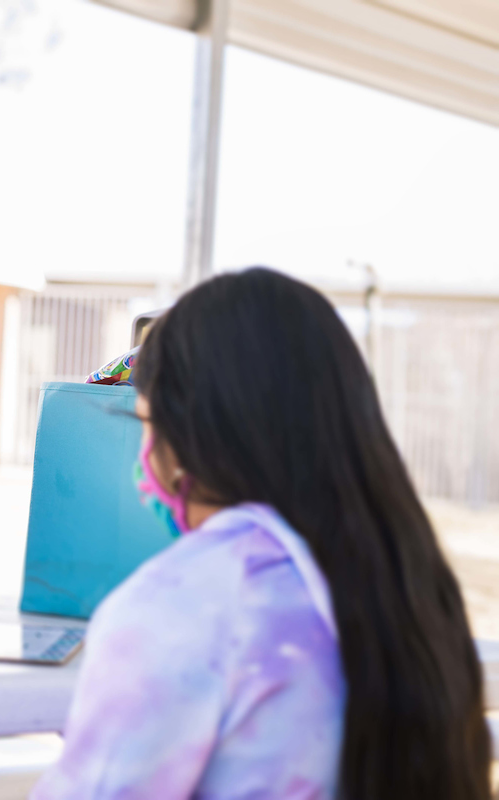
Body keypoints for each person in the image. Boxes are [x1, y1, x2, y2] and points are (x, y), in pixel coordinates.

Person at [34, 268, 492, 799]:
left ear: (193, 436)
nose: (143, 455)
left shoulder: (181, 605)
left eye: (146, 422)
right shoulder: (414, 582)